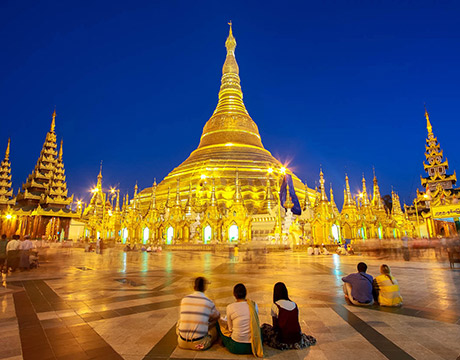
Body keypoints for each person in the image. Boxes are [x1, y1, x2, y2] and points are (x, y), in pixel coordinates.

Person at [261, 282, 316, 350]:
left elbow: (275, 326)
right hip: (297, 337)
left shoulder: (275, 305)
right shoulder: (294, 304)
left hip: (283, 339)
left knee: (264, 328)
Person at [218, 283, 263, 357]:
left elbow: (230, 329)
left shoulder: (230, 307)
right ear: (246, 293)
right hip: (253, 346)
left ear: (234, 295)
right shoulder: (254, 305)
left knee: (219, 325)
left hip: (236, 346)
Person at [177, 277, 220, 350]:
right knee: (216, 326)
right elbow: (217, 316)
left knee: (179, 321)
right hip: (199, 345)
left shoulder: (184, 299)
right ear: (204, 288)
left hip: (181, 342)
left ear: (194, 287)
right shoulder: (208, 302)